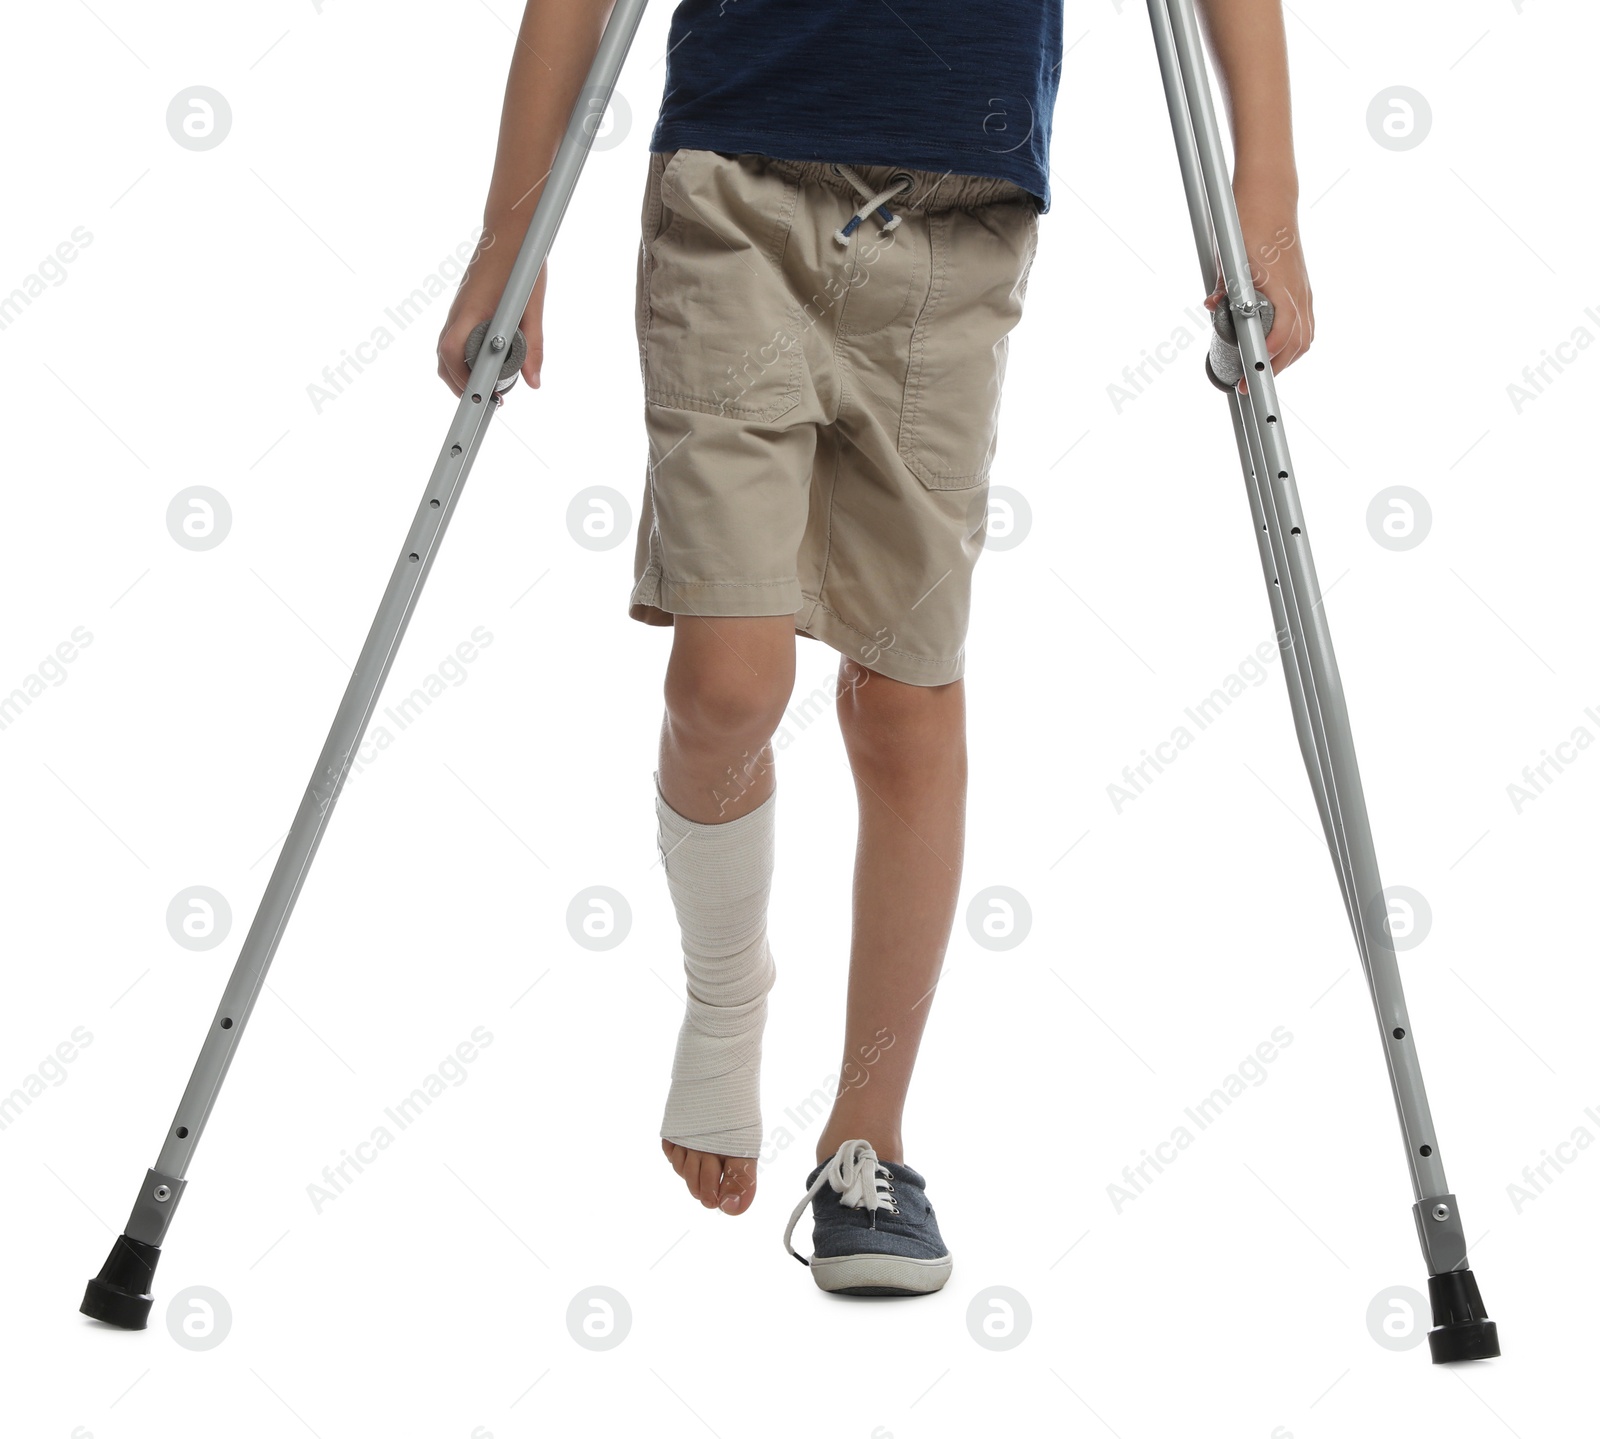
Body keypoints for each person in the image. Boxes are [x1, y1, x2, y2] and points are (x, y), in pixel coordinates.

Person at [437, 0, 1314, 1296]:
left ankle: (869, 1141)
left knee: (905, 704)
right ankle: (728, 1002)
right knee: (727, 682)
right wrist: (513, 232)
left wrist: (1270, 190)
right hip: (735, 182)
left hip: (961, 216)